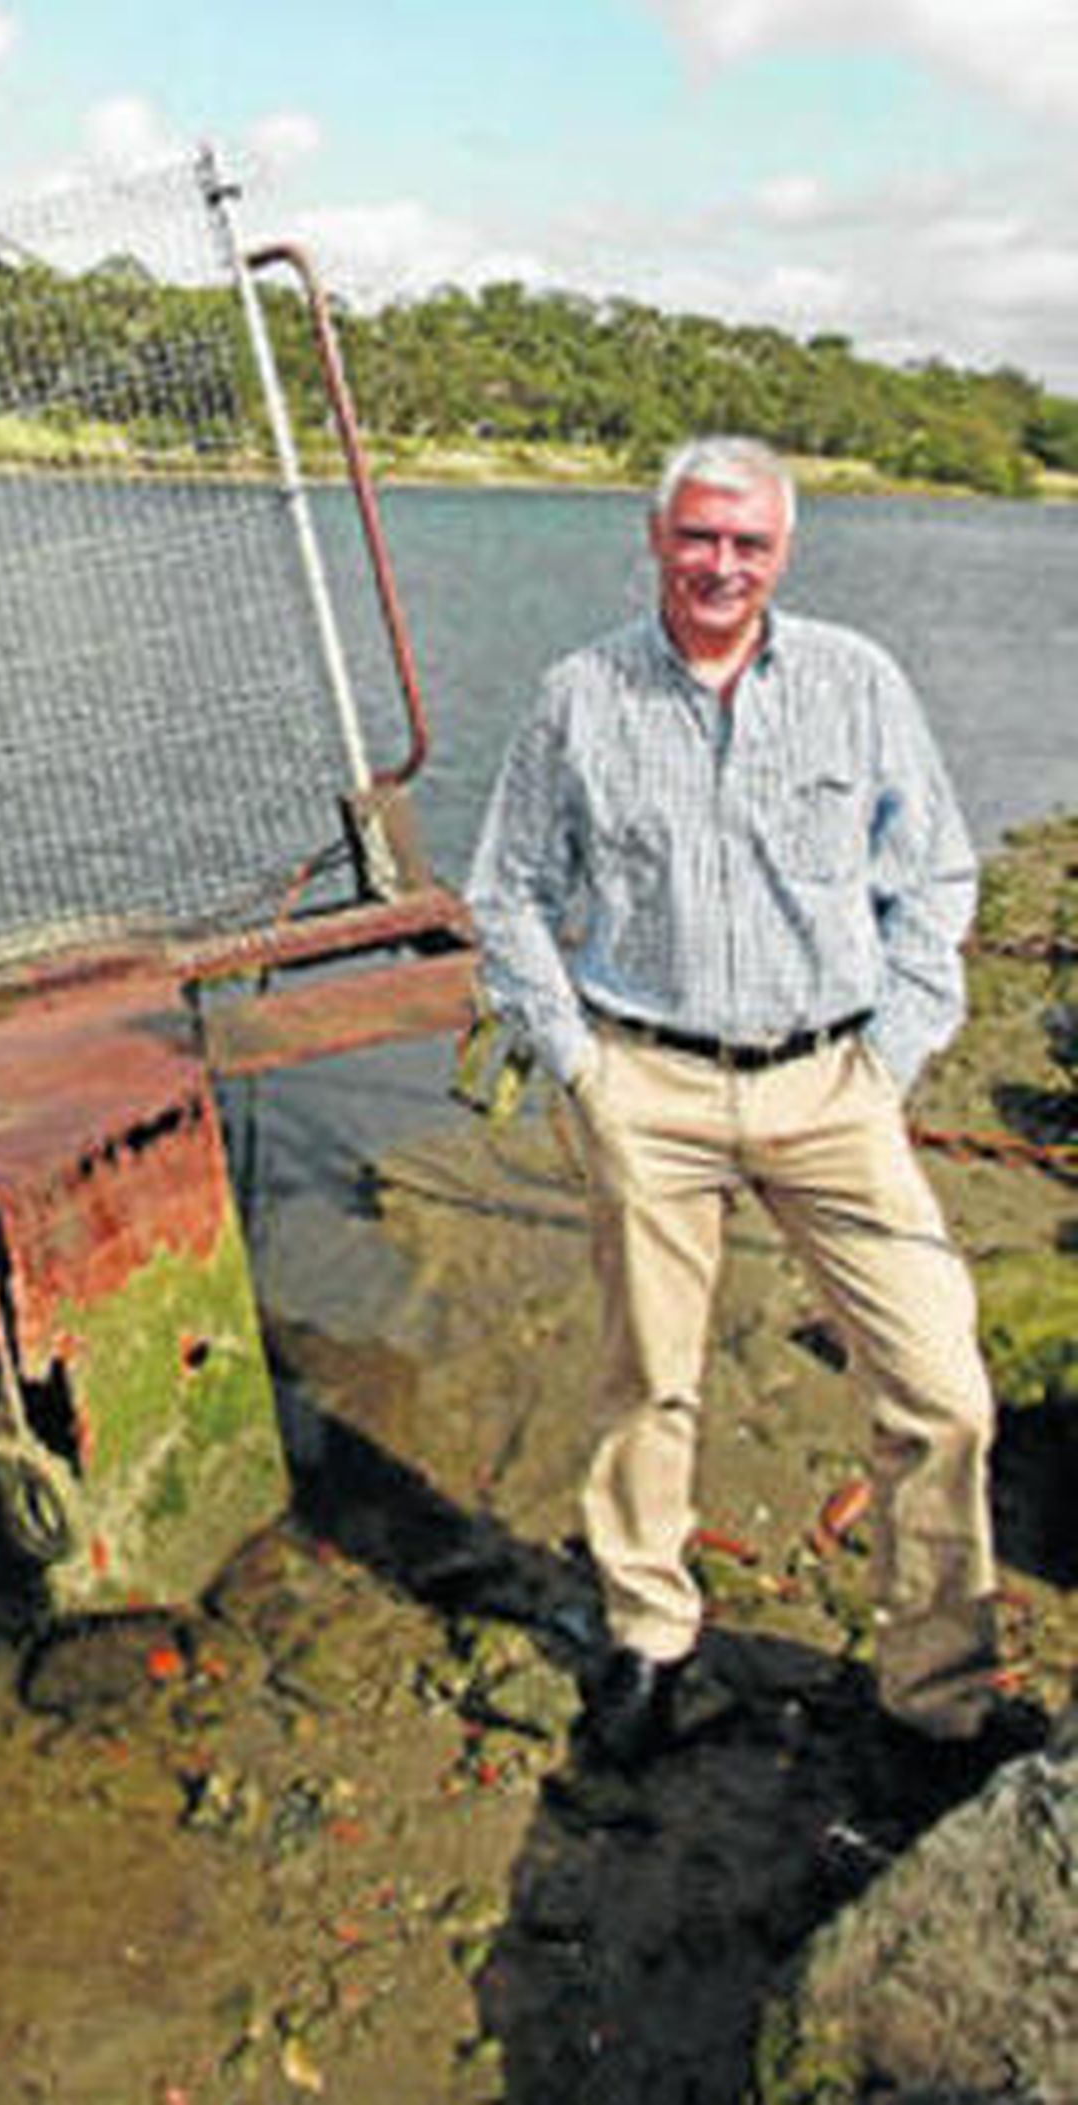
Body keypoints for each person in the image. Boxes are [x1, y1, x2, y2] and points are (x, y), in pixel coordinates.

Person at [466, 432, 1030, 1779]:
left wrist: (890, 1055)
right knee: (648, 1378)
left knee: (943, 1392)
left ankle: (936, 1690)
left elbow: (934, 874)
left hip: (834, 1084)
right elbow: (508, 894)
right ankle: (651, 1634)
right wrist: (584, 1069)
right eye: (698, 536)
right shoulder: (579, 696)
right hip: (647, 1081)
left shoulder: (859, 682)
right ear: (653, 539)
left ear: (786, 550)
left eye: (750, 542)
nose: (722, 564)